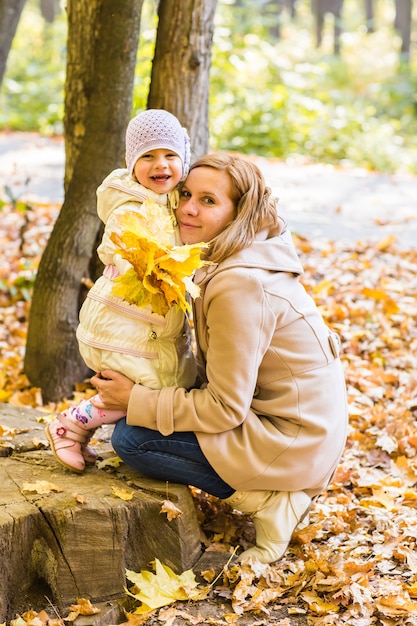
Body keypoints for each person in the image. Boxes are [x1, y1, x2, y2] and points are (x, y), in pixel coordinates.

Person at [90, 152, 348, 564]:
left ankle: (271, 503)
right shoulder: (232, 256)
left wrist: (136, 399)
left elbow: (225, 407)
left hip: (294, 439)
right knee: (140, 417)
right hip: (288, 423)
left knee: (132, 439)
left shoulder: (239, 285)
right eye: (187, 194)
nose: (188, 208)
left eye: (209, 201)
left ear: (238, 211)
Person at [46, 109, 207, 473]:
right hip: (125, 319)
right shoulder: (129, 207)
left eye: (169, 156)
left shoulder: (176, 202)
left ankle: (77, 432)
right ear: (131, 164)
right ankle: (69, 425)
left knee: (157, 385)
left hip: (150, 321)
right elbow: (130, 249)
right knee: (145, 387)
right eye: (147, 156)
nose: (159, 164)